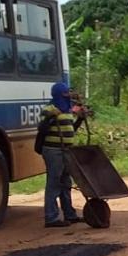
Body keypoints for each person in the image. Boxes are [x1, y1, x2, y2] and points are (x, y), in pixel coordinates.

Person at [39, 82, 86, 228]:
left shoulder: (67, 110)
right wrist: (51, 117)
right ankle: (51, 217)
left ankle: (69, 214)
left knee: (66, 182)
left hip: (66, 150)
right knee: (54, 182)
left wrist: (80, 118)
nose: (68, 96)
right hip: (54, 150)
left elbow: (71, 129)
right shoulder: (49, 108)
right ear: (59, 94)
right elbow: (42, 128)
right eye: (65, 93)